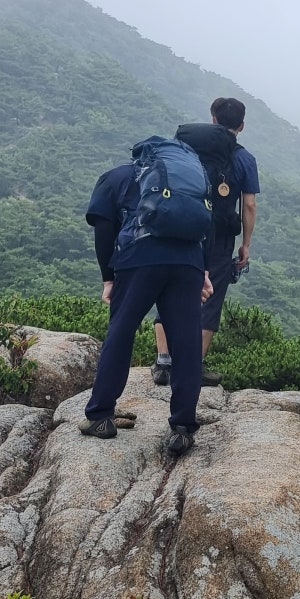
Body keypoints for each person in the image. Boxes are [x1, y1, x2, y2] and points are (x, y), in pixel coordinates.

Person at [82, 152, 213, 455]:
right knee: (187, 341)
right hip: (188, 261)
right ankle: (182, 427)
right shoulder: (188, 182)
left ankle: (101, 416)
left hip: (139, 260)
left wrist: (108, 277)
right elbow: (209, 223)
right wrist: (203, 270)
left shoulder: (115, 177)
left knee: (122, 331)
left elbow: (103, 229)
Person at [152, 97, 260, 387]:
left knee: (171, 288)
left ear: (213, 120)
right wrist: (246, 244)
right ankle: (193, 367)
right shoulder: (244, 159)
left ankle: (164, 361)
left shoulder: (187, 148)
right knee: (210, 300)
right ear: (242, 126)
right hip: (221, 237)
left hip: (182, 228)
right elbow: (248, 205)